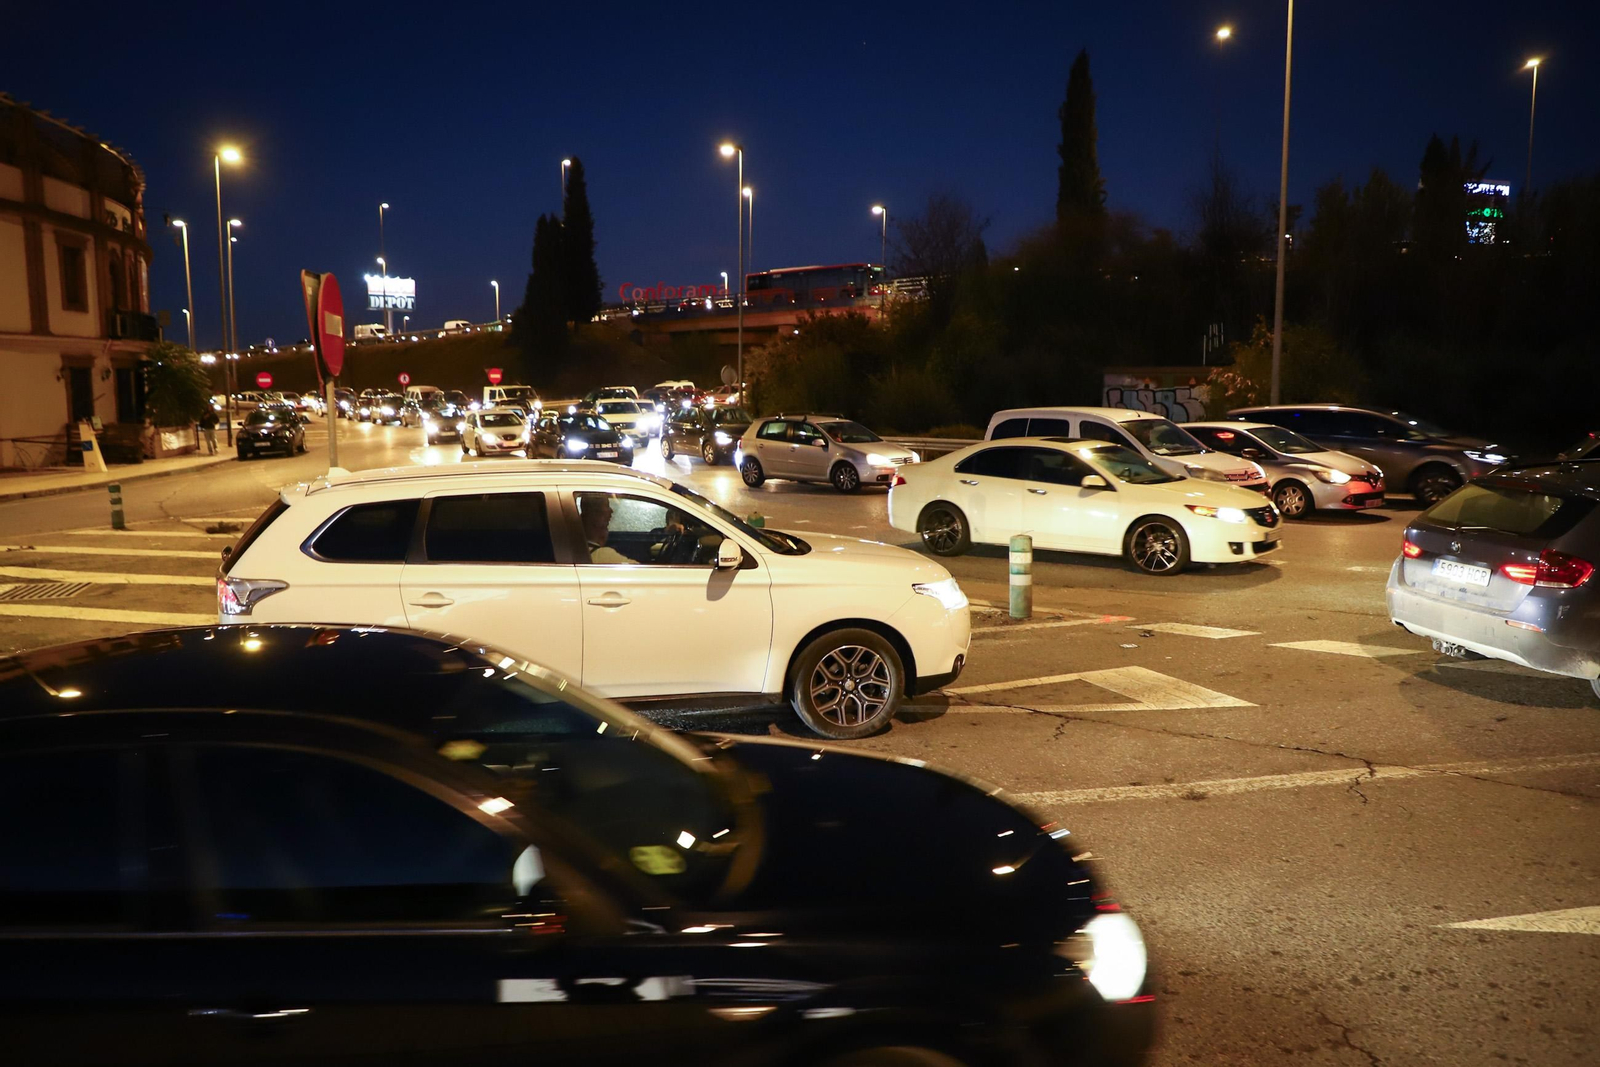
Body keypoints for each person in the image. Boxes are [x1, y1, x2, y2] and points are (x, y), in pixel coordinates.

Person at [577, 495, 632, 565]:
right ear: (595, 515)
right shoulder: (603, 556)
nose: (611, 511)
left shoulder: (575, 551)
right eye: (607, 506)